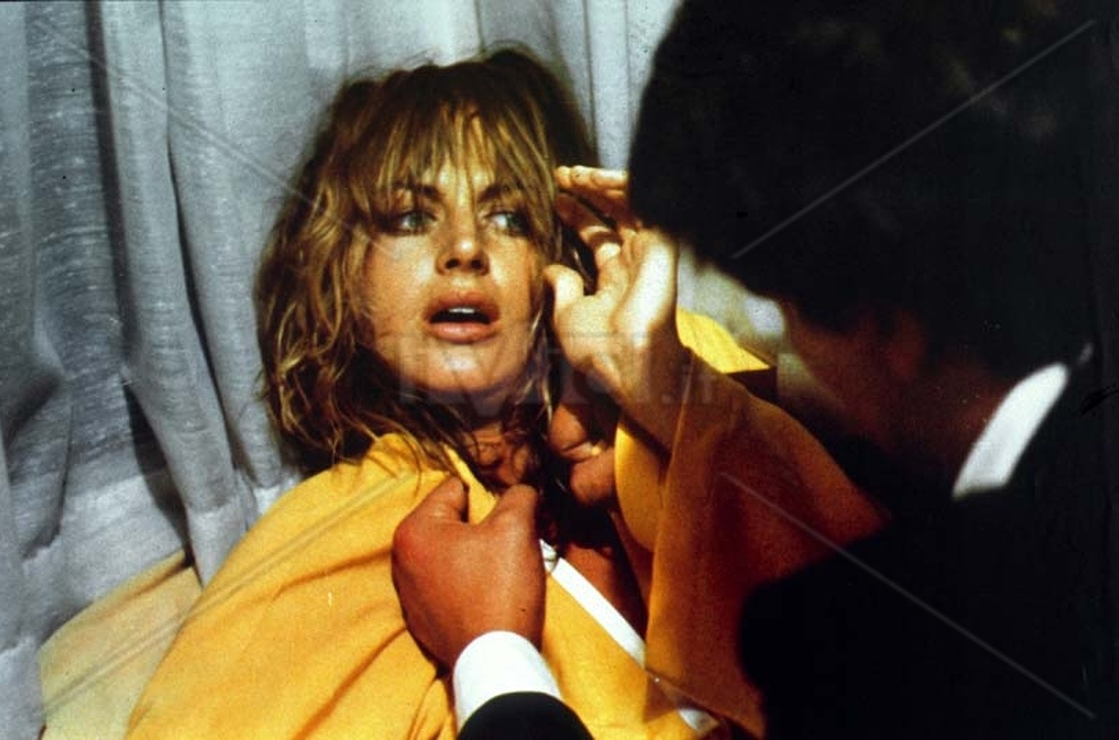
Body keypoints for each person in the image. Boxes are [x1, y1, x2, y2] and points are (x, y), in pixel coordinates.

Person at [391, 1, 1118, 738]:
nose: (464, 249)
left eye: (782, 294)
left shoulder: (865, 638)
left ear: (881, 317)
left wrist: (493, 655)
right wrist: (659, 379)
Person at [125, 48, 787, 739]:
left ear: (559, 256)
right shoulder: (339, 527)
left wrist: (662, 399)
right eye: (411, 218)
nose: (465, 247)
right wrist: (493, 660)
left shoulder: (683, 381)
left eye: (509, 218)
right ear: (341, 276)